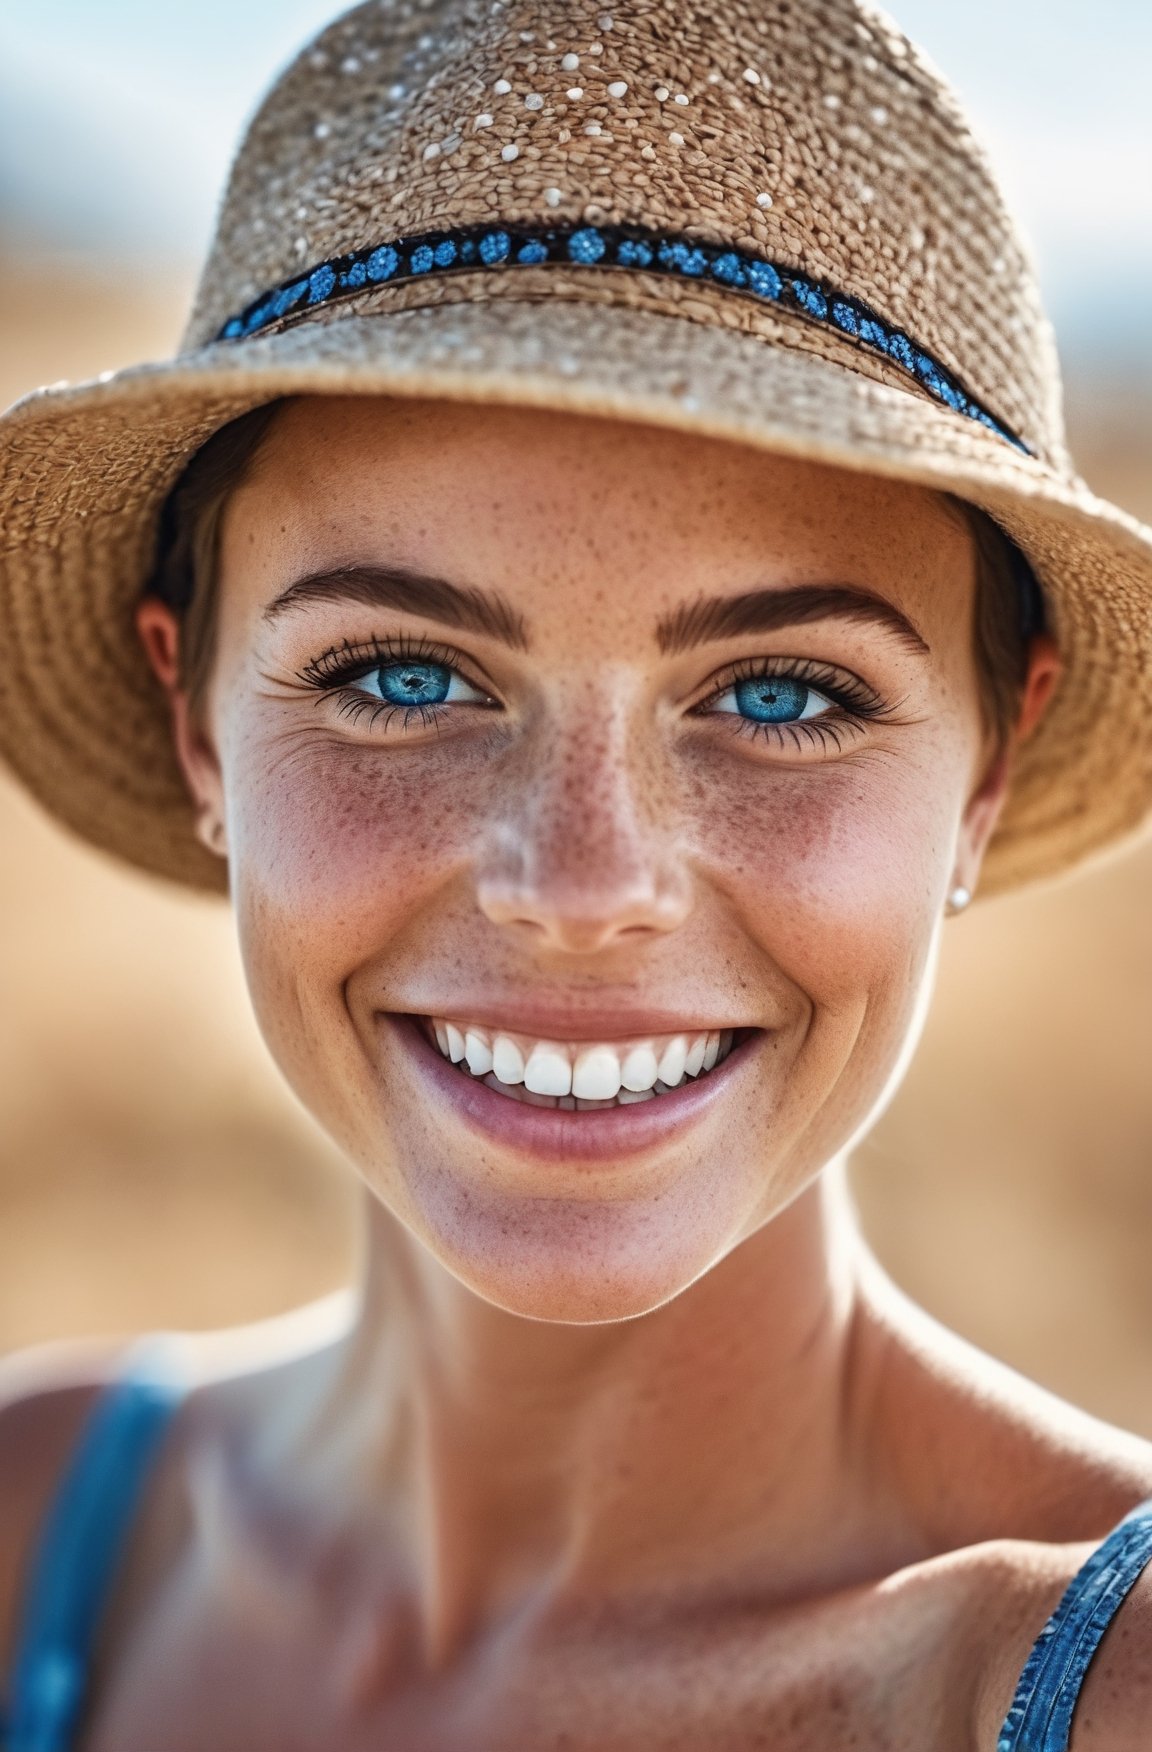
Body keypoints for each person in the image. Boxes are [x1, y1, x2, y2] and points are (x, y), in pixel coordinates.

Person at [1, 0, 1150, 1746]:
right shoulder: (31, 1537)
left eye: (783, 694)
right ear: (197, 721)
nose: (581, 881)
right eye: (403, 677)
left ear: (986, 770)